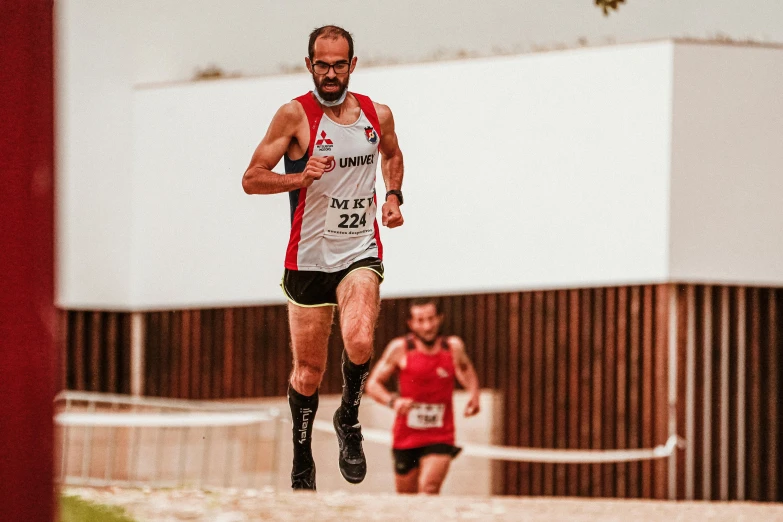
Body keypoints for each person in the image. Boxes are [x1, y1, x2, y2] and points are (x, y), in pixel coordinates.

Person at [241, 25, 405, 491]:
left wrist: (393, 196)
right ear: (309, 64)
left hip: (360, 250)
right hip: (308, 257)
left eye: (339, 65)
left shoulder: (378, 114)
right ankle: (301, 458)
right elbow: (251, 178)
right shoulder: (294, 116)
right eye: (322, 64)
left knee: (357, 339)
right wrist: (298, 178)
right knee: (308, 373)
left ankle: (348, 419)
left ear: (352, 65)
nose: (330, 74)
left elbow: (392, 155)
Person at [365, 298, 481, 494]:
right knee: (407, 499)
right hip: (406, 435)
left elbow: (465, 368)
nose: (427, 326)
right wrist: (393, 401)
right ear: (411, 323)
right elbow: (373, 384)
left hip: (440, 434)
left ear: (439, 319)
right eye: (420, 320)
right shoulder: (400, 348)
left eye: (430, 319)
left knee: (429, 488)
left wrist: (474, 395)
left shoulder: (452, 347)